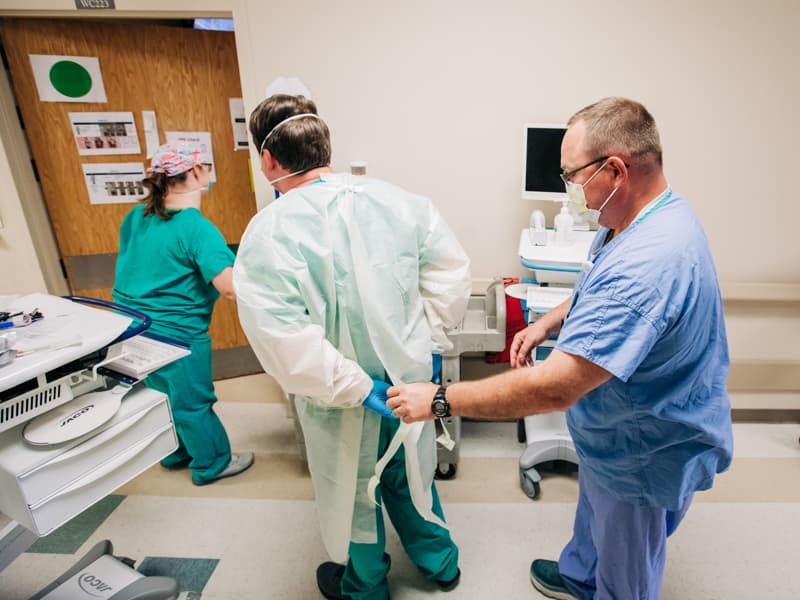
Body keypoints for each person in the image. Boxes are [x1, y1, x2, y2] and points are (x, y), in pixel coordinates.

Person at [387, 97, 734, 600]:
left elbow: (557, 387)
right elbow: (595, 283)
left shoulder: (649, 262)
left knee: (628, 570)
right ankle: (580, 575)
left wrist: (439, 400)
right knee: (594, 517)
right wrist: (548, 322)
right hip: (611, 431)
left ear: (616, 169)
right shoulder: (642, 215)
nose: (570, 189)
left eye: (573, 176)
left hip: (643, 447)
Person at [233, 94, 471, 600]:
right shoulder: (401, 202)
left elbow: (281, 337)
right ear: (325, 146)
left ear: (269, 160)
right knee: (411, 469)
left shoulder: (269, 232)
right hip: (410, 384)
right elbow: (450, 273)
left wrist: (357, 388)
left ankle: (364, 586)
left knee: (353, 486)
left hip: (339, 399)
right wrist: (428, 342)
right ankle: (439, 563)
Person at [113, 143, 254, 486]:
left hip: (131, 329)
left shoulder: (136, 217)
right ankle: (212, 464)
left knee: (163, 396)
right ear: (195, 173)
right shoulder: (195, 226)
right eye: (206, 166)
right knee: (192, 402)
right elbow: (230, 287)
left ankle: (178, 452)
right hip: (176, 335)